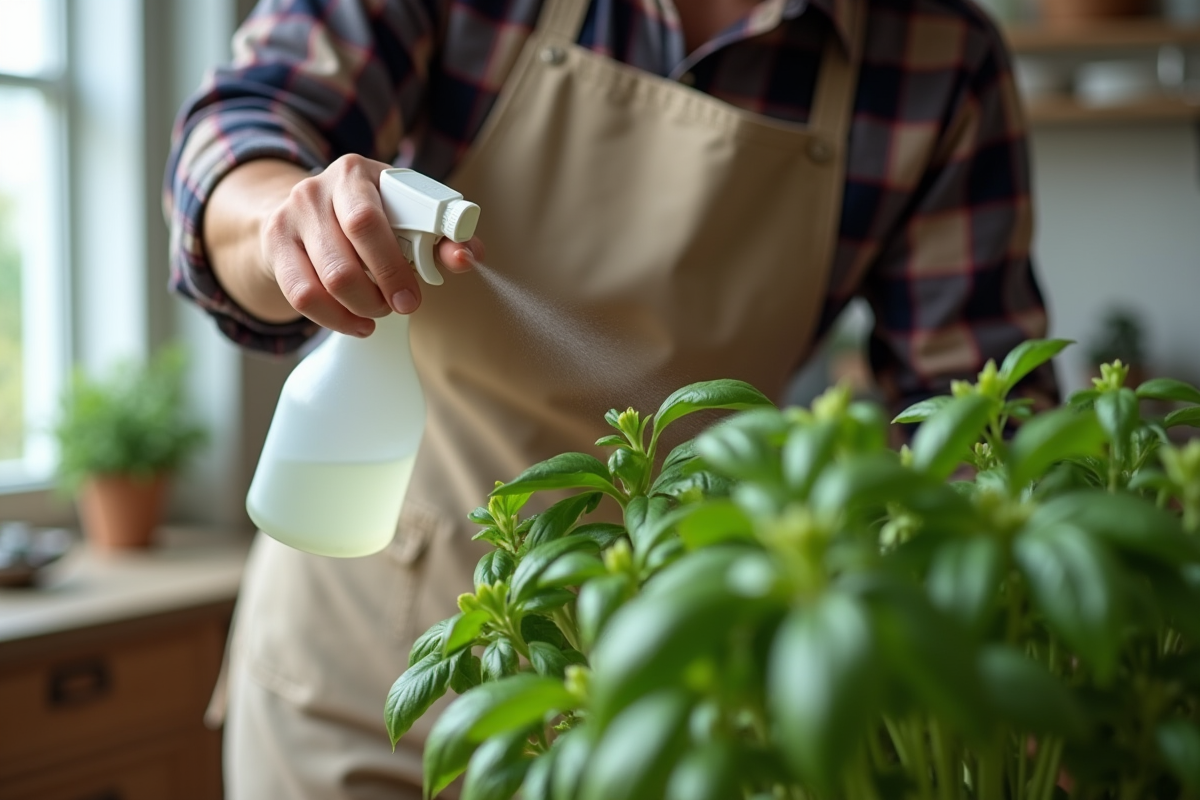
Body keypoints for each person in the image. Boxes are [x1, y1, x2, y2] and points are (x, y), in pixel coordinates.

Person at [164, 0, 1058, 796]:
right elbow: (241, 125)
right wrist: (285, 219)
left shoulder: (940, 56)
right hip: (363, 669)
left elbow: (978, 423)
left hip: (669, 695)